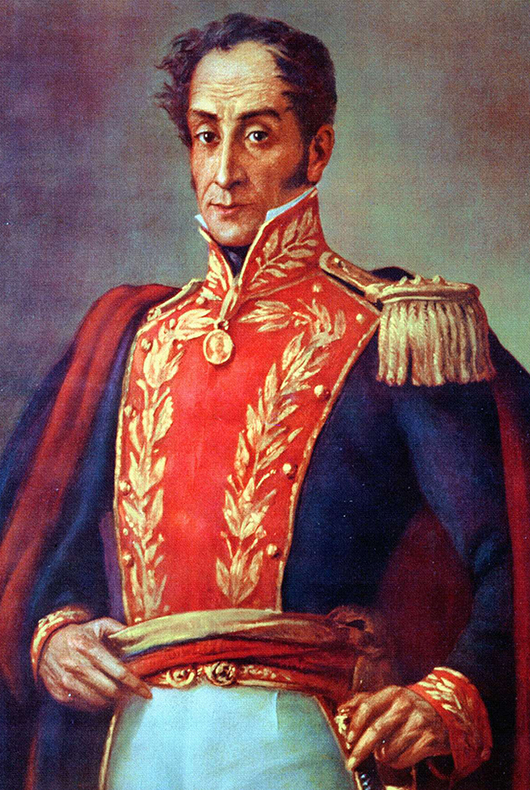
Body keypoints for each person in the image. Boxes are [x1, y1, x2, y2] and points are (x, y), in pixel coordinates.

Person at [0, 12, 528, 790]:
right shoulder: (129, 335)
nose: (224, 172)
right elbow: (37, 545)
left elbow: (514, 543)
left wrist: (450, 695)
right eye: (205, 135)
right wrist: (54, 634)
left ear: (316, 150)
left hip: (300, 743)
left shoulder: (396, 330)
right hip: (133, 747)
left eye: (256, 135)